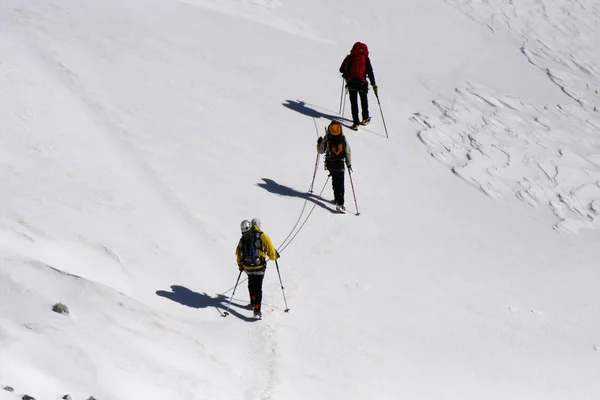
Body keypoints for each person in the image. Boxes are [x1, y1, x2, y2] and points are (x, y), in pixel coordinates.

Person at [235, 219, 279, 318]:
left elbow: (238, 252)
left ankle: (252, 302)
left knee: (251, 284)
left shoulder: (242, 239)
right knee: (258, 287)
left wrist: (240, 265)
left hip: (247, 267)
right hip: (259, 267)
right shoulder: (262, 236)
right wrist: (275, 255)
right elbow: (271, 254)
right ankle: (257, 310)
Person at [339, 42, 377, 131]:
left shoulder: (350, 57)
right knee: (364, 101)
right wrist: (373, 84)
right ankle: (365, 119)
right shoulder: (365, 59)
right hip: (362, 84)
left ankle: (356, 123)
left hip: (351, 83)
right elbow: (370, 72)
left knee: (354, 103)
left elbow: (341, 70)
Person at [317, 120, 352, 213]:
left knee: (335, 181)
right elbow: (348, 151)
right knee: (340, 183)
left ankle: (337, 200)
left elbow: (320, 151)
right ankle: (340, 203)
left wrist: (319, 143)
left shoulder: (328, 136)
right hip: (340, 163)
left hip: (330, 164)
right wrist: (349, 164)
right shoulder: (342, 137)